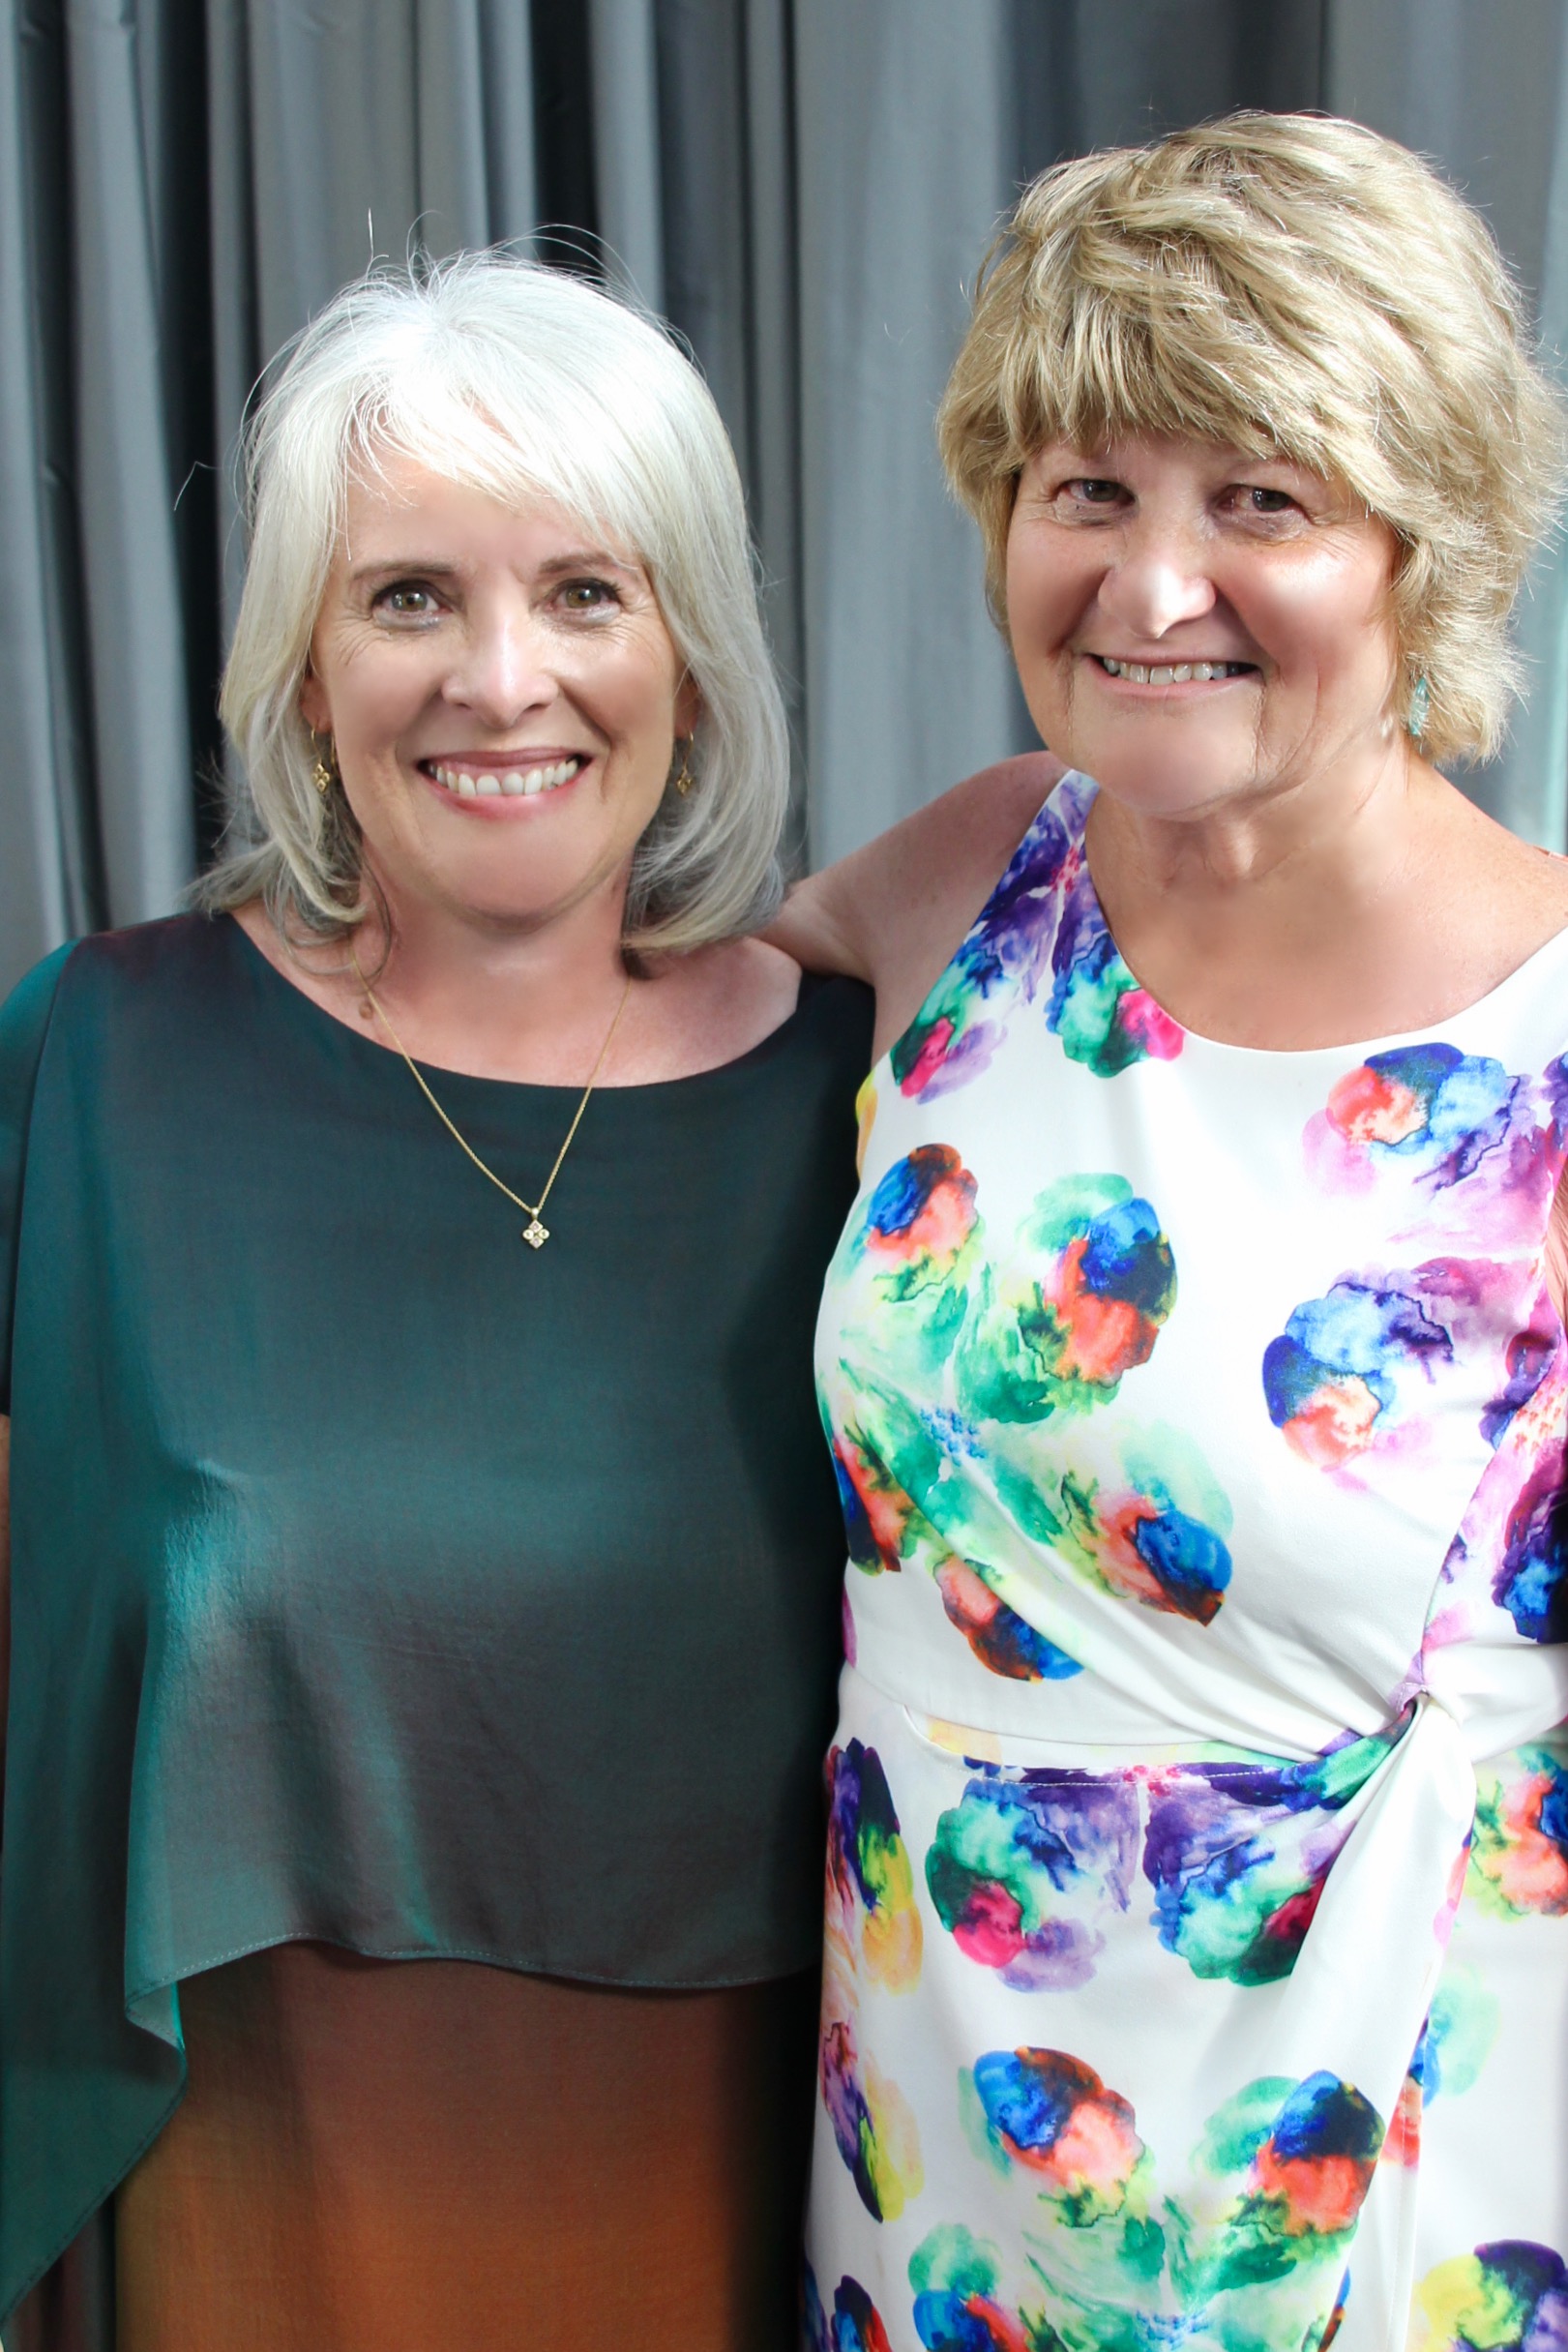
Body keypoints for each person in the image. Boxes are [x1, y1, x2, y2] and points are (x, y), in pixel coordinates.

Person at [0, 253, 872, 2352]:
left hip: (754, 2217)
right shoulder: (91, 1065)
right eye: (408, 598)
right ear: (306, 674)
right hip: (242, 2222)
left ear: (690, 656)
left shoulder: (885, 1112)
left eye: (585, 593)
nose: (501, 679)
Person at [776, 115, 1568, 2352]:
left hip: (1384, 2151)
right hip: (931, 2133)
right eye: (1088, 489)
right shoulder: (973, 878)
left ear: (1427, 543)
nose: (1147, 588)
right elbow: (590, 1059)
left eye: (1262, 501)